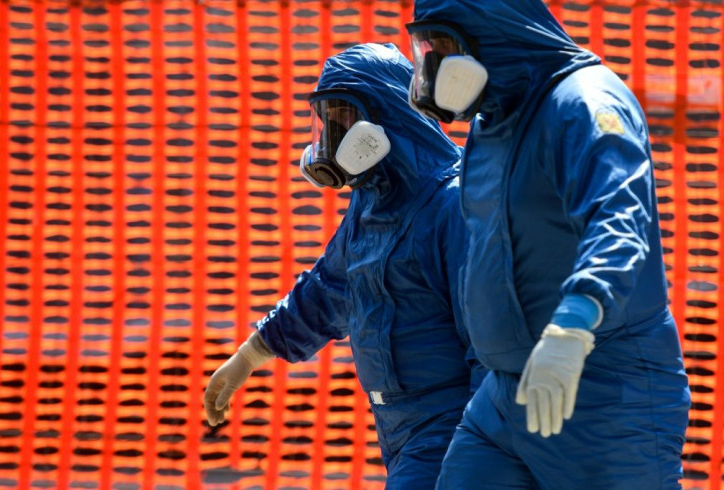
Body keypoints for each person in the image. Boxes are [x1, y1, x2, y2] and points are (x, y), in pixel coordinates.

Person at [405, 1, 690, 488]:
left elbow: (619, 218)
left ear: (489, 34)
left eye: (441, 47)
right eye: (424, 50)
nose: (429, 68)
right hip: (505, 393)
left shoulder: (583, 102)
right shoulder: (491, 126)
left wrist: (572, 325)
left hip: (602, 390)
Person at [204, 43, 485, 489]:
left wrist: (483, 442)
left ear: (385, 118)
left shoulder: (450, 205)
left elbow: (489, 336)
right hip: (399, 424)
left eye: (341, 121)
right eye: (325, 122)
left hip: (449, 427)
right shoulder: (372, 205)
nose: (329, 140)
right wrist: (252, 353)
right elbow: (329, 288)